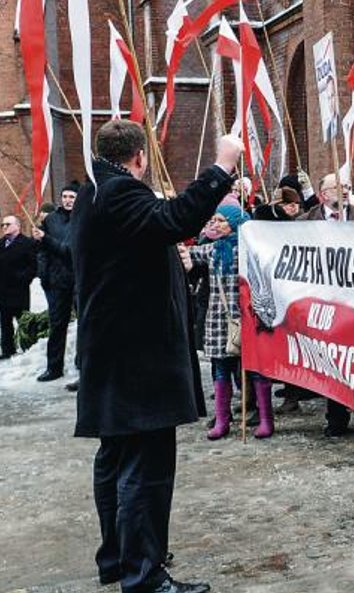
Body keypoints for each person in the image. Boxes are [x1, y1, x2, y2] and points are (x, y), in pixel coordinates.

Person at [72, 119, 241, 593]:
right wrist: (221, 166)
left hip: (113, 353)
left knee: (116, 458)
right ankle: (143, 574)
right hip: (137, 357)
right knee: (144, 469)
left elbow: (150, 235)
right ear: (140, 157)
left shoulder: (94, 192)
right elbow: (175, 220)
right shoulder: (120, 191)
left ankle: (119, 559)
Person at [297, 173, 354, 436]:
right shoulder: (304, 222)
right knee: (329, 357)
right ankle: (336, 417)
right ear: (323, 194)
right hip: (322, 300)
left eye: (347, 186)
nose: (345, 190)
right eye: (338, 187)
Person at [181, 204, 276, 440]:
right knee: (220, 367)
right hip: (219, 318)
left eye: (221, 220)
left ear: (234, 223)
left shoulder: (252, 250)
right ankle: (222, 420)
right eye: (213, 220)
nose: (215, 224)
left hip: (249, 317)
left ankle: (266, 419)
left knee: (256, 368)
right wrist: (181, 246)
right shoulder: (213, 249)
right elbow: (190, 255)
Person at [32, 182, 79, 381]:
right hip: (57, 281)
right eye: (65, 196)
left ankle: (82, 369)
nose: (68, 200)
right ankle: (54, 368)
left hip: (79, 280)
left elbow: (70, 251)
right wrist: (44, 275)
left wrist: (46, 239)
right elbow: (42, 250)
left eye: (72, 197)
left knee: (84, 326)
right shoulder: (51, 220)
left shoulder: (83, 219)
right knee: (57, 325)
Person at [0, 215, 37, 360]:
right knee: (5, 322)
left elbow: (33, 266)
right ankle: (7, 350)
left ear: (17, 226)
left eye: (7, 224)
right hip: (2, 290)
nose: (4, 227)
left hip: (18, 290)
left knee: (23, 321)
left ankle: (27, 347)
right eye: (2, 225)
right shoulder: (1, 243)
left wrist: (23, 278)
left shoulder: (27, 243)